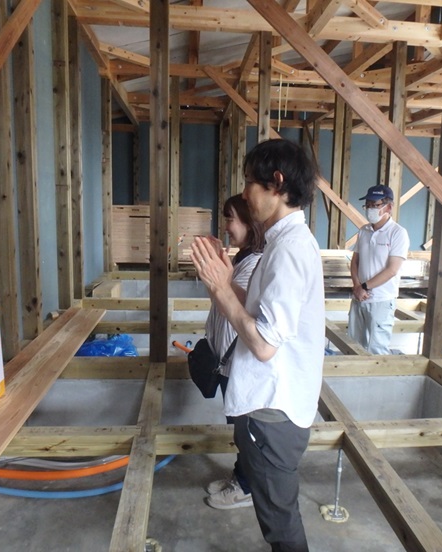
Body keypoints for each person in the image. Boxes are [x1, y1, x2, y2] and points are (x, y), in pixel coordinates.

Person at [191, 139, 325, 552]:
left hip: (273, 411)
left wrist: (221, 289)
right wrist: (225, 280)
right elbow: (260, 312)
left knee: (280, 525)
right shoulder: (284, 243)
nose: (245, 193)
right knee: (276, 513)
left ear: (276, 183)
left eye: (250, 181)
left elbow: (265, 344)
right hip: (273, 405)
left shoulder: (289, 249)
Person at [203, 194, 265, 510]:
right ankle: (241, 476)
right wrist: (216, 265)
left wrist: (215, 269)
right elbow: (219, 297)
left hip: (239, 360)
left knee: (245, 429)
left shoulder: (255, 264)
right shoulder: (242, 258)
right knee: (239, 427)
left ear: (249, 223)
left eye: (230, 218)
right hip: (228, 359)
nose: (226, 226)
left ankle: (247, 488)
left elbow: (233, 303)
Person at [348, 185, 409, 354]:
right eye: (368, 205)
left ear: (389, 207)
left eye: (375, 205)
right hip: (359, 298)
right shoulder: (364, 231)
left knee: (377, 349)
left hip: (381, 300)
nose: (370, 209)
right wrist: (356, 286)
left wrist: (364, 287)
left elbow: (392, 270)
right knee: (354, 346)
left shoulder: (397, 233)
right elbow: (355, 262)